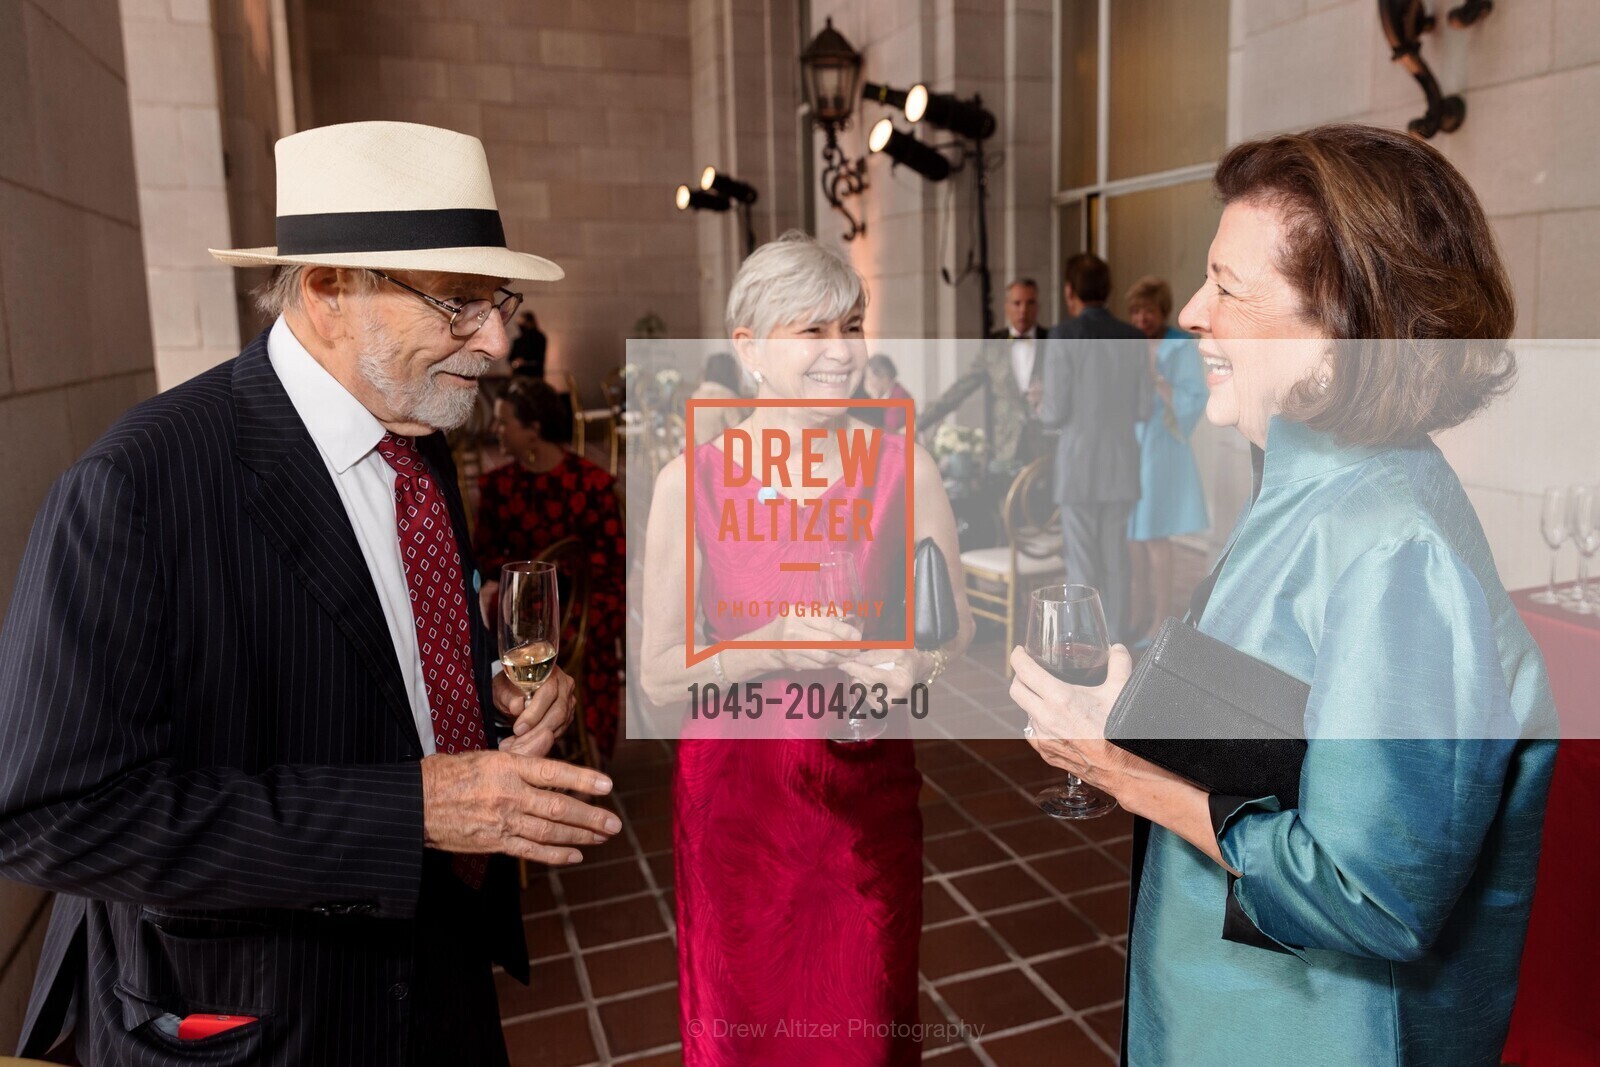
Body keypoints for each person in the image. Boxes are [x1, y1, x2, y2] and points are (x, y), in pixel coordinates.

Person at [0, 121, 621, 1065]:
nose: (495, 341)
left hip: (441, 975)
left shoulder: (419, 429)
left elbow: (377, 642)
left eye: (496, 300)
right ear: (332, 290)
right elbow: (52, 815)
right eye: (456, 303)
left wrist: (489, 677)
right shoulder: (135, 486)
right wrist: (413, 809)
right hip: (260, 1016)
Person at [1009, 124, 1555, 1066]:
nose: (1189, 311)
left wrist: (1118, 767)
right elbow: (1289, 743)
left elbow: (1370, 889)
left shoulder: (1394, 545)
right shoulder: (1312, 484)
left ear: (1342, 329)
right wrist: (1142, 711)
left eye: (1228, 287)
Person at [639, 232, 973, 1066]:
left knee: (863, 1025)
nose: (841, 352)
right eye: (812, 332)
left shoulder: (906, 467)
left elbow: (953, 626)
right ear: (748, 348)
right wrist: (771, 642)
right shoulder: (692, 481)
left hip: (863, 806)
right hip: (737, 814)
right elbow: (656, 678)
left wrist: (913, 666)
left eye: (851, 327)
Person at [474, 378, 626, 760]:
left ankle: (572, 744)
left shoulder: (592, 486)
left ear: (533, 430)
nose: (497, 431)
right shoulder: (499, 487)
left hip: (581, 609)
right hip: (522, 615)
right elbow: (484, 556)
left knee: (586, 638)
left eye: (504, 422)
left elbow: (613, 567)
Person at [1039, 253, 1148, 643]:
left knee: (1081, 562)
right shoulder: (1133, 338)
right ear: (1109, 291)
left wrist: (1036, 402)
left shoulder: (1062, 336)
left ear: (1070, 292)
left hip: (1078, 465)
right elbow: (1143, 408)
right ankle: (1116, 643)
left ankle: (1082, 647)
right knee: (1116, 559)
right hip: (1120, 461)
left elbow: (1053, 413)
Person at [1124, 275, 1210, 642]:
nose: (1143, 318)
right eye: (1137, 311)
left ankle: (1162, 618)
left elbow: (1194, 399)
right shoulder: (1127, 343)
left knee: (1155, 534)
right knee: (1133, 536)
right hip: (1131, 445)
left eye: (1151, 311)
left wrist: (1158, 380)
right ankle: (1137, 611)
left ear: (1164, 311)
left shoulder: (1181, 346)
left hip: (1162, 446)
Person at [919, 278, 1050, 472]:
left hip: (1044, 447)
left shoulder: (1054, 342)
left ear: (1038, 307)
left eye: (1030, 303)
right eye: (1017, 303)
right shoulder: (992, 347)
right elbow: (961, 388)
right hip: (1004, 448)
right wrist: (920, 422)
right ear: (1006, 307)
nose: (1023, 310)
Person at [688, 351, 749, 445]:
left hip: (700, 454)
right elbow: (743, 433)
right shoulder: (728, 399)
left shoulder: (696, 396)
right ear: (730, 374)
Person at [862, 352, 914, 433]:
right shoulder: (892, 394)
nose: (868, 383)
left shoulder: (899, 397)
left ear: (884, 377)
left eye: (870, 378)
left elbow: (888, 433)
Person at [509, 309, 547, 379]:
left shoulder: (539, 338)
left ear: (529, 322)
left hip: (534, 377)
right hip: (519, 377)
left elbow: (539, 359)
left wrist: (524, 362)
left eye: (522, 322)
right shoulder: (518, 341)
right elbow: (510, 358)